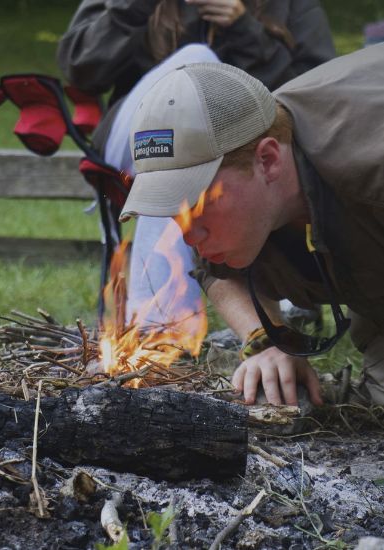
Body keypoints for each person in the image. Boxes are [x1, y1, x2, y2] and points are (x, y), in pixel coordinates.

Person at [118, 42, 384, 408]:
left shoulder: (370, 171)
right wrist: (267, 339)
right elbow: (217, 271)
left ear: (268, 160)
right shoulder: (252, 150)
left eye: (197, 205)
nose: (188, 236)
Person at [57, 0, 335, 329]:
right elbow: (80, 67)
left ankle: (162, 326)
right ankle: (160, 323)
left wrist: (243, 28)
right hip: (137, 137)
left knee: (197, 176)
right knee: (196, 62)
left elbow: (312, 94)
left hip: (237, 148)